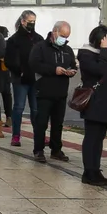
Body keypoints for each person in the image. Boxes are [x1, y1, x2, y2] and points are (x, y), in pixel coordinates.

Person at [28, 20, 78, 162]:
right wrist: (53, 70)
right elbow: (34, 64)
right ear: (54, 32)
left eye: (67, 37)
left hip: (61, 92)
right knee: (41, 122)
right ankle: (38, 150)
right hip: (44, 91)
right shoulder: (40, 47)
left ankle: (56, 149)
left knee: (58, 123)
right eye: (62, 35)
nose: (64, 39)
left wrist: (72, 71)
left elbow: (73, 64)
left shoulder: (67, 50)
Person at [76, 25, 107, 184]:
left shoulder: (101, 55)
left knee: (99, 138)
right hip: (94, 103)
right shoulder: (87, 55)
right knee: (92, 137)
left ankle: (95, 169)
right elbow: (100, 71)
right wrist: (104, 51)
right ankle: (89, 171)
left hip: (105, 103)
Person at [4, 10, 42, 147]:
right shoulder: (14, 40)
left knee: (36, 109)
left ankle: (39, 135)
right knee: (18, 107)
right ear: (23, 21)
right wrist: (19, 71)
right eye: (30, 21)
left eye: (34, 21)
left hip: (35, 79)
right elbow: (9, 60)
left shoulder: (38, 38)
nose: (32, 24)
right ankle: (15, 135)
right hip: (20, 79)